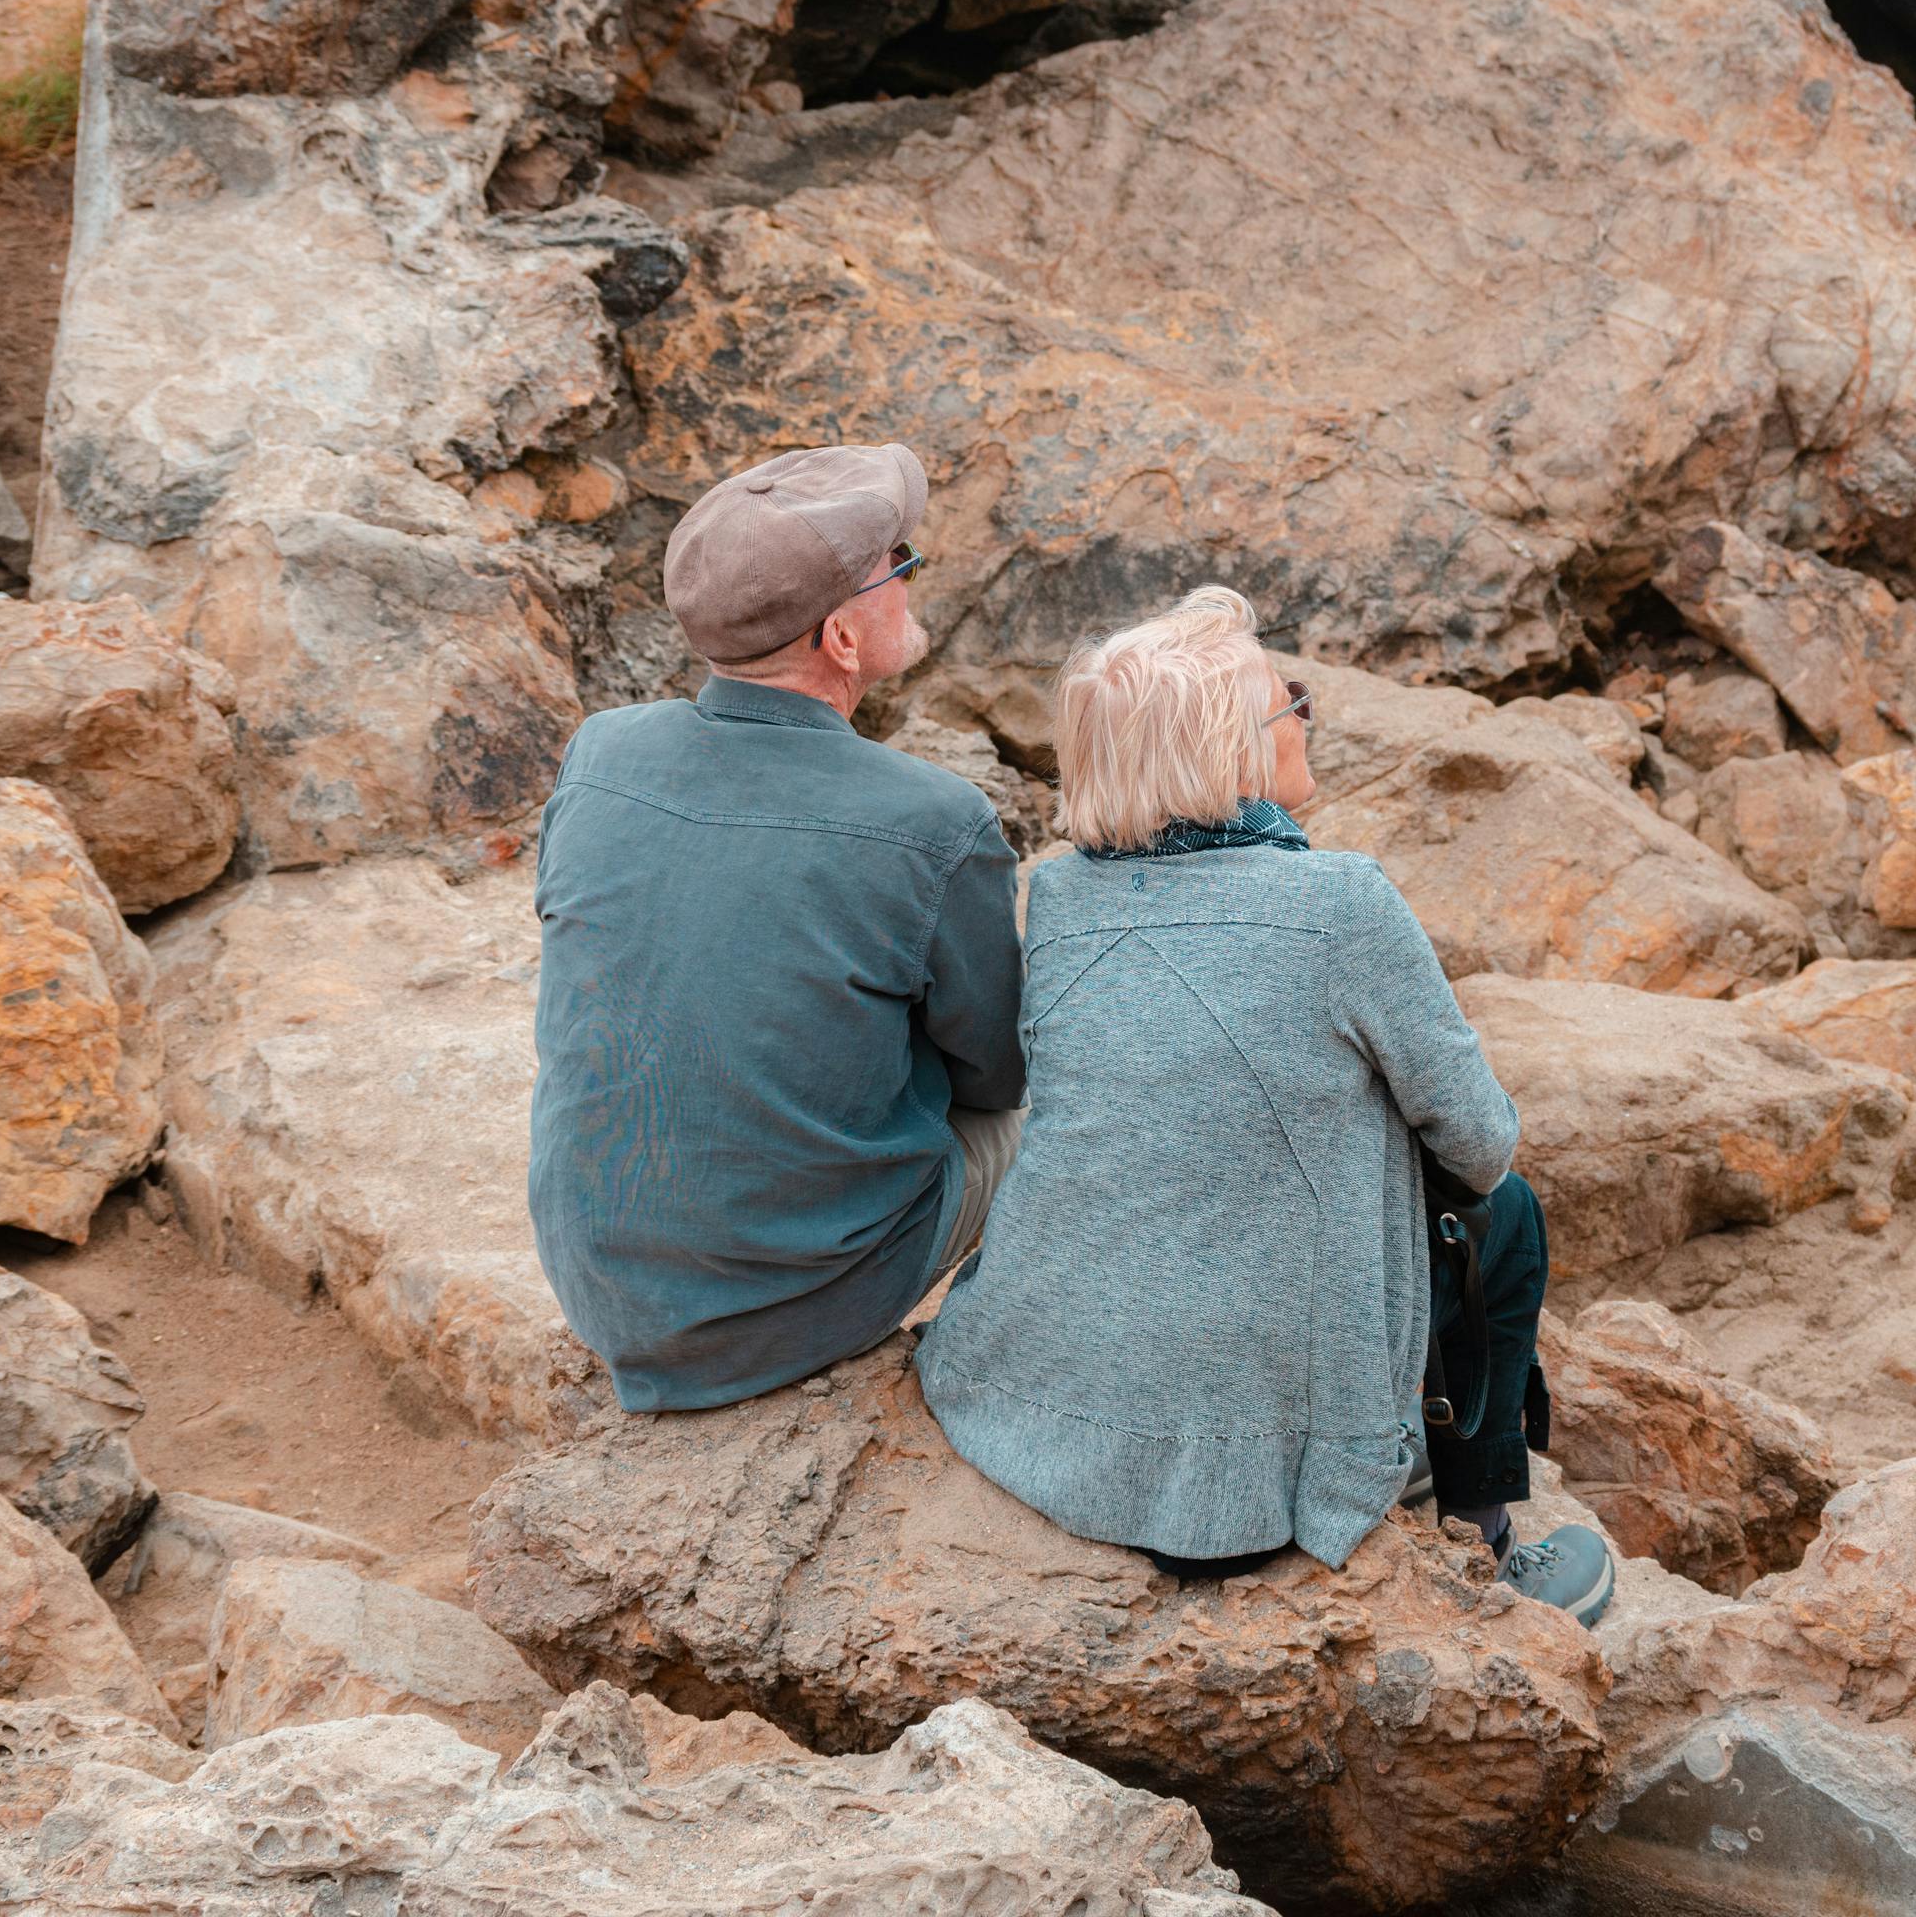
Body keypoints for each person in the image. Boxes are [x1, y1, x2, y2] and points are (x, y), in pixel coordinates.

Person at [916, 587, 1612, 1621]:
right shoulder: (1339, 902)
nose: (1303, 714)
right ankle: (1480, 1534)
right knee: (1503, 1215)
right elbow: (1480, 1139)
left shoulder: (1056, 896)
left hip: (1036, 1384)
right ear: (1233, 754)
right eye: (1290, 702)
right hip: (1254, 1445)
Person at [528, 443, 1026, 1412]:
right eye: (901, 564)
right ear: (840, 637)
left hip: (598, 1278)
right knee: (1056, 1116)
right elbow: (998, 1074)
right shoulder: (934, 822)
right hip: (781, 1306)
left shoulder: (600, 751)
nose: (912, 574)